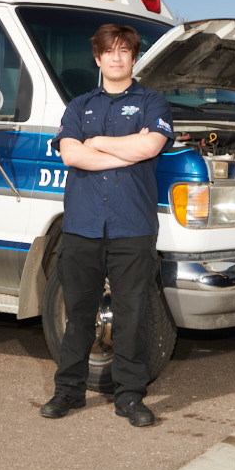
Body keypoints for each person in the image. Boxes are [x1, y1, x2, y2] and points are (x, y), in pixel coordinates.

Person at [39, 24, 174, 427]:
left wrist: (95, 143)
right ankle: (68, 392)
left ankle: (130, 397)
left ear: (134, 58)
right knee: (78, 313)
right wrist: (124, 150)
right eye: (109, 52)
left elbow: (151, 146)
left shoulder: (153, 103)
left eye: (125, 51)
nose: (117, 58)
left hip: (132, 225)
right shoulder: (79, 106)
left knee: (132, 314)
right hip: (82, 224)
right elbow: (70, 157)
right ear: (97, 59)